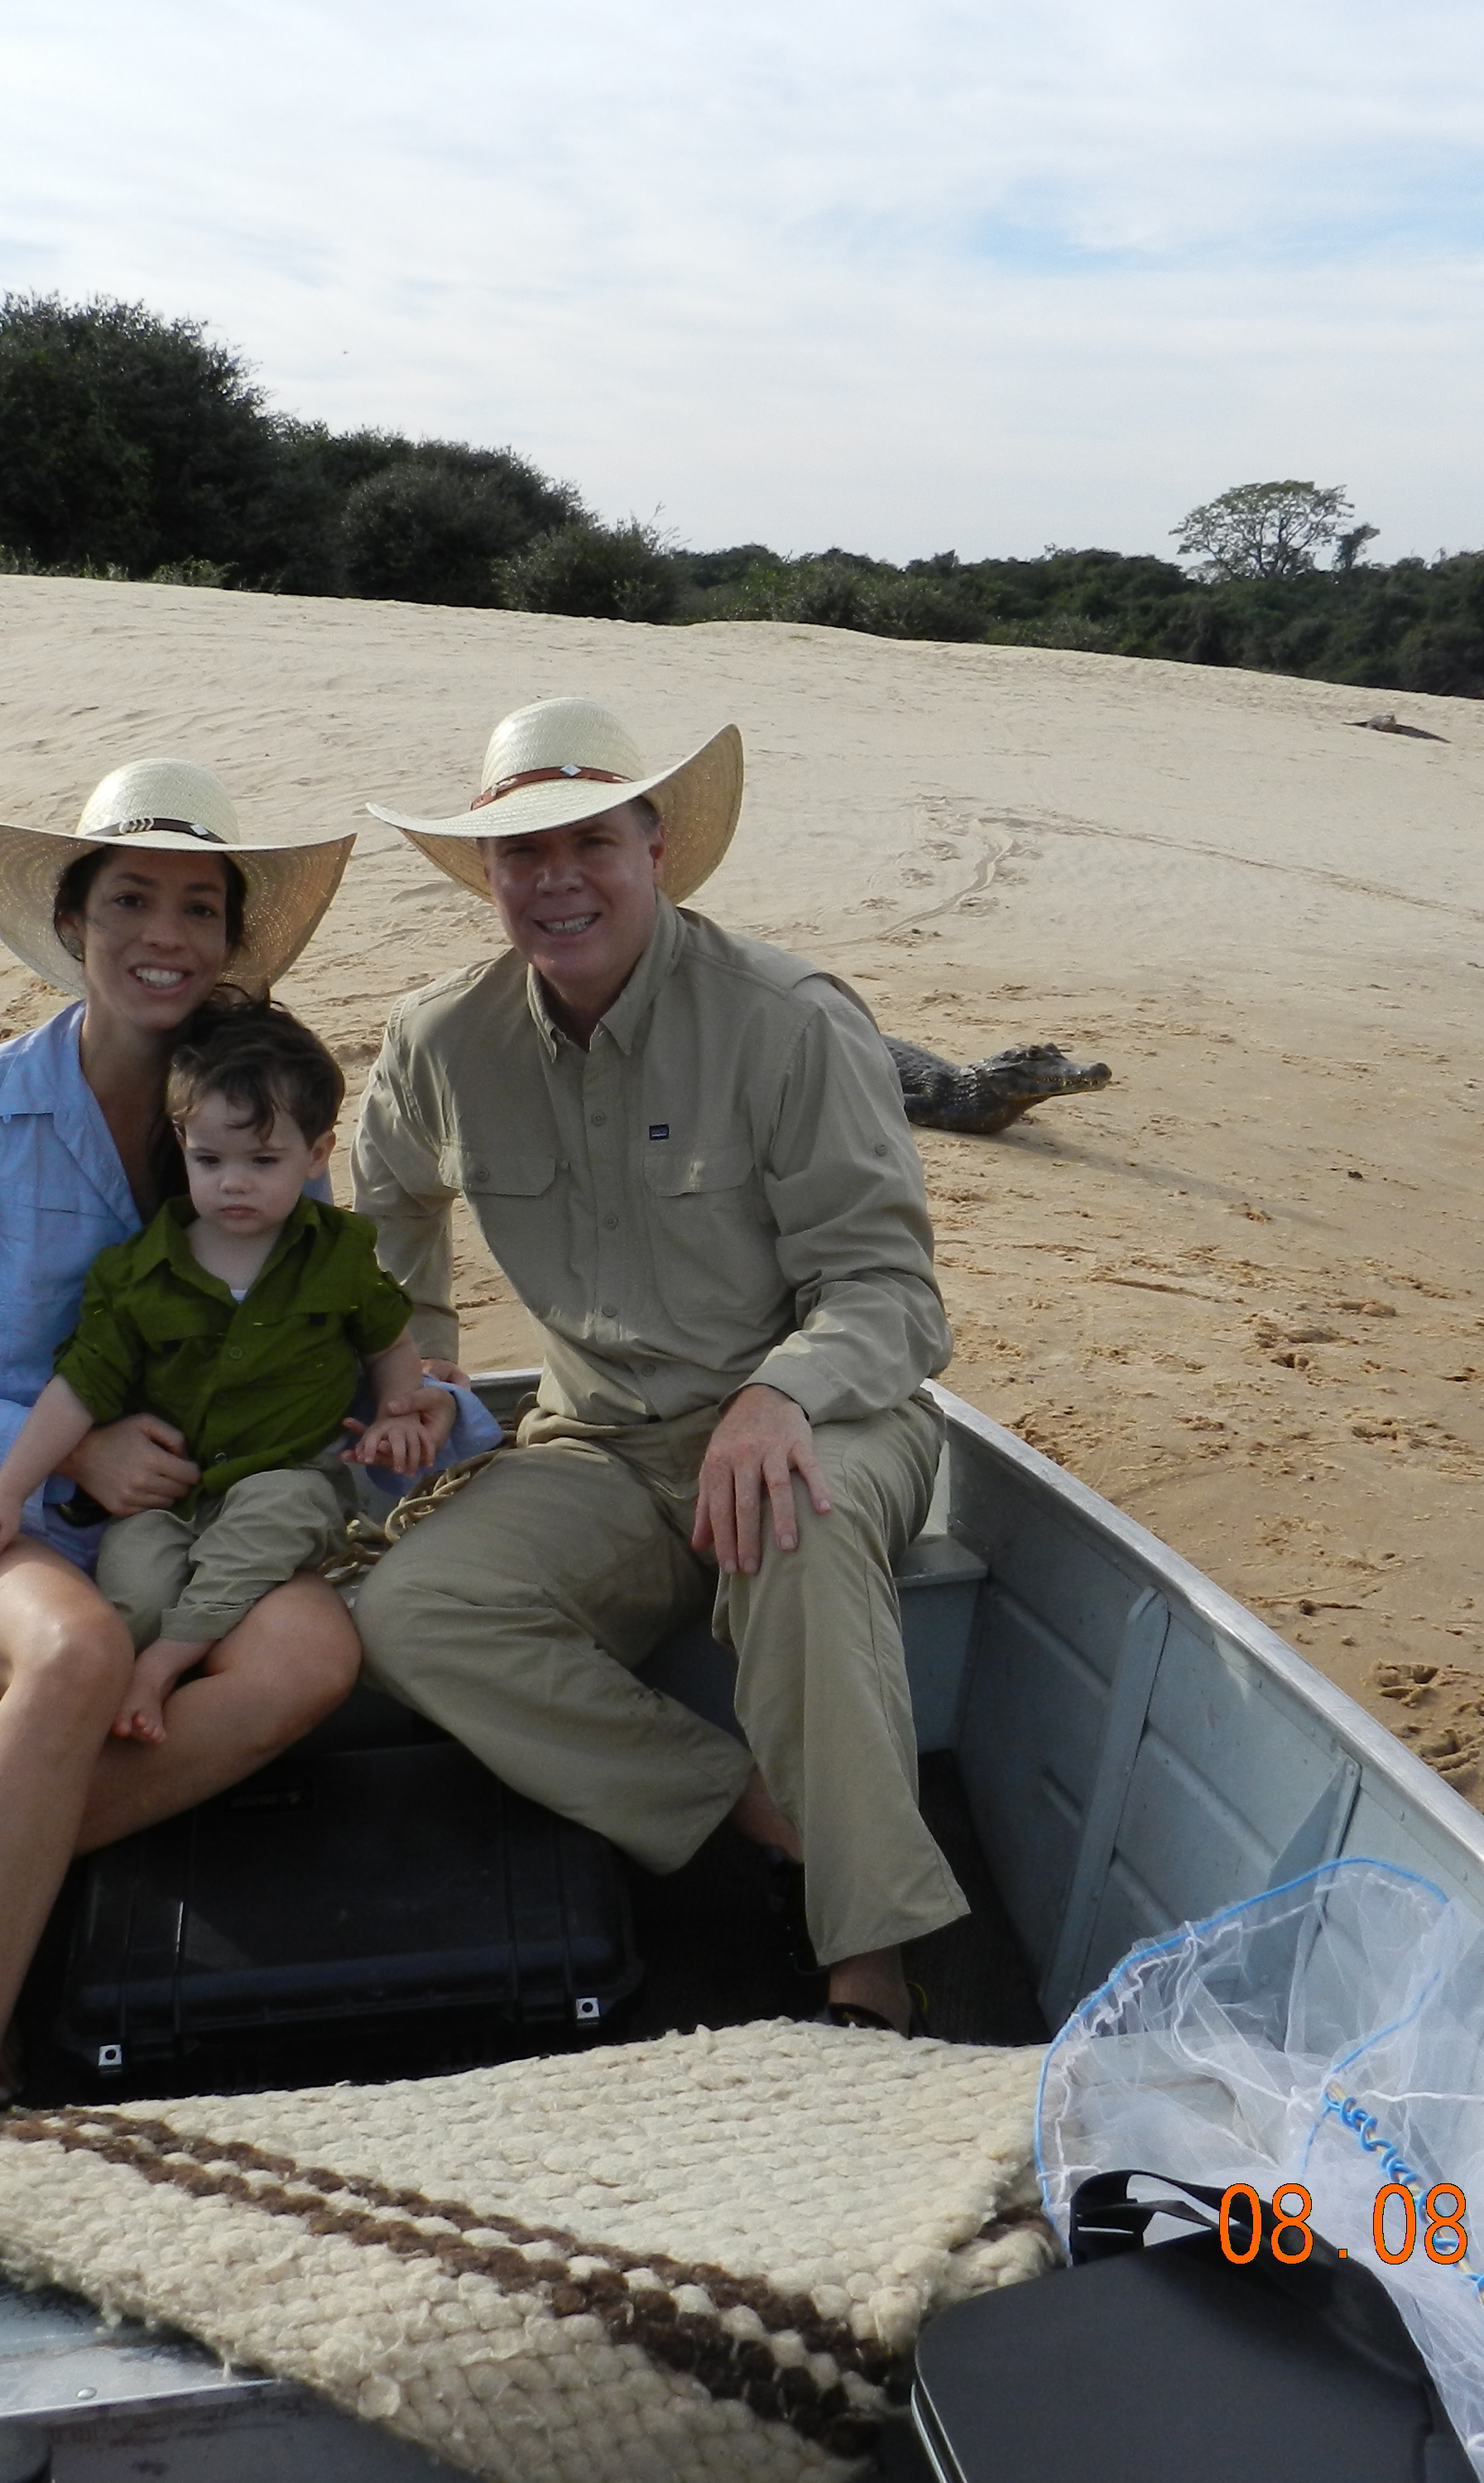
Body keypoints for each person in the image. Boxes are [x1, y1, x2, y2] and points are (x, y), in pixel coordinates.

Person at [348, 696, 969, 2033]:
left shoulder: (788, 1018)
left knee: (791, 1528)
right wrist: (419, 1375)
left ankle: (872, 1960)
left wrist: (776, 1392)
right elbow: (384, 1219)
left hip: (830, 1417)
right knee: (414, 1611)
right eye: (523, 854)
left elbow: (892, 1295)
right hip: (601, 1446)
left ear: (658, 849)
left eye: (590, 842)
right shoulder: (441, 1041)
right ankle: (770, 1818)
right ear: (491, 879)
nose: (557, 879)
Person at [0, 759, 365, 2134]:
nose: (163, 934)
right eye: (130, 898)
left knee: (316, 1654)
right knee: (77, 1652)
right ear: (74, 923)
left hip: (184, 1518)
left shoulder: (257, 1104)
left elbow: (330, 1312)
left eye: (197, 905)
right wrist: (66, 1456)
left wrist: (411, 1404)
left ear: (231, 939)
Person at [0, 1000, 450, 1742]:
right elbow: (77, 1391)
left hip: (292, 1473)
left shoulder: (335, 1255)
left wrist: (398, 1410)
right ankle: (125, 1702)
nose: (234, 1184)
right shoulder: (138, 1274)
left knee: (270, 1523)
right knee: (137, 1586)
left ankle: (156, 1676)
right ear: (181, 1143)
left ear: (317, 1155)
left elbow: (387, 1344)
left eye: (263, 1162)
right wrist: (6, 1494)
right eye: (210, 1161)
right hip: (168, 1495)